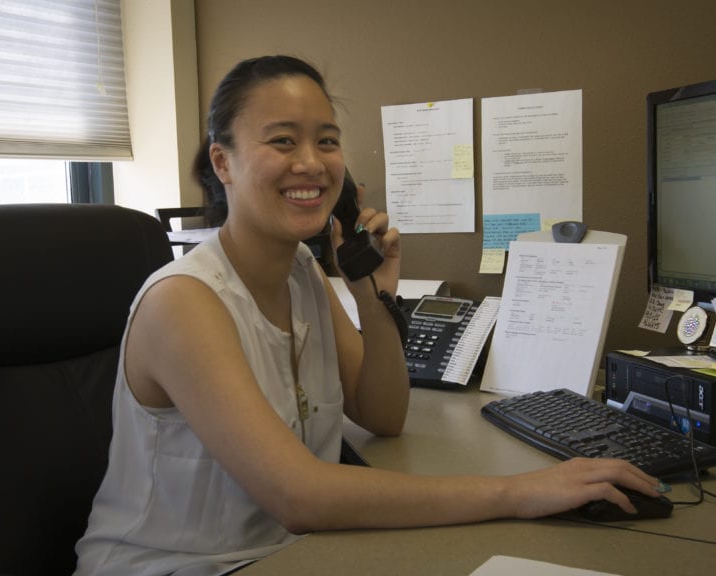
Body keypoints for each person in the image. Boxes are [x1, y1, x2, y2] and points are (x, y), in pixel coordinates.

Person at [74, 55, 661, 576]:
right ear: (222, 163)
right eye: (282, 141)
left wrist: (372, 294)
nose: (311, 163)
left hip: (290, 554)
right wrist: (518, 491)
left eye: (327, 141)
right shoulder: (184, 300)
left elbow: (383, 415)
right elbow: (299, 496)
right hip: (180, 566)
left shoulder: (304, 274)